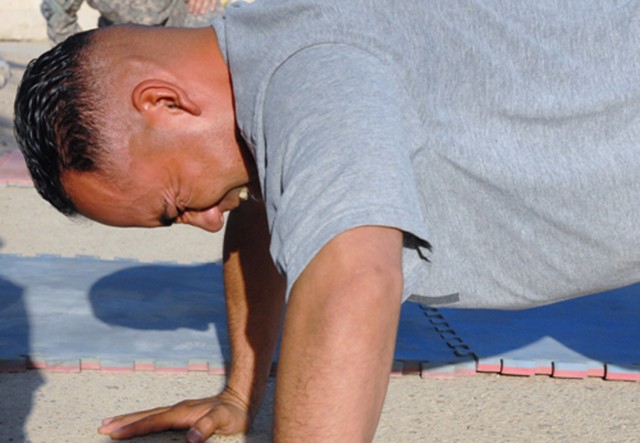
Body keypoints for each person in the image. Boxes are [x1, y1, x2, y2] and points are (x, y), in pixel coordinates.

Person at [13, 1, 640, 441]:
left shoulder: (309, 72)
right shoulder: (266, 42)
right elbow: (261, 212)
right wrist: (241, 394)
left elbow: (353, 277)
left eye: (177, 202)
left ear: (165, 102)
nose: (204, 222)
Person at [41, 0, 220, 44]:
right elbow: (58, 13)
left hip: (176, 20)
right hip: (119, 35)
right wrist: (75, 57)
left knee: (209, 15)